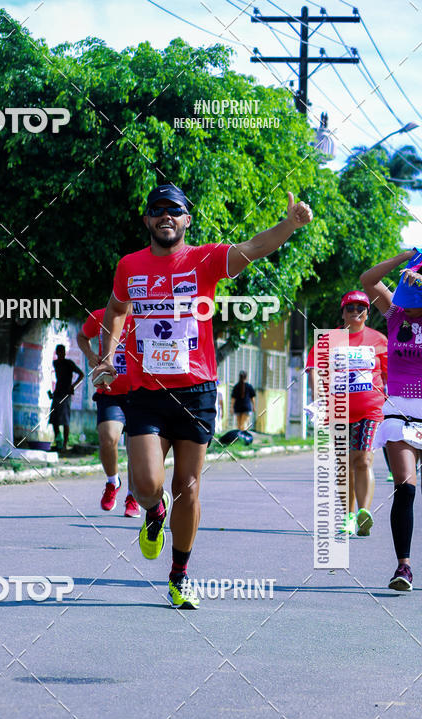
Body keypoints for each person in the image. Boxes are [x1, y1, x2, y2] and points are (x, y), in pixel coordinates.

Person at [92, 183, 313, 609]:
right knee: (146, 485)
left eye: (174, 210)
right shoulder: (129, 266)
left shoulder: (205, 259)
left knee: (188, 487)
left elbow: (255, 246)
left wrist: (289, 224)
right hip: (146, 391)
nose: (166, 216)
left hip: (196, 392)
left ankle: (179, 576)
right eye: (158, 209)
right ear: (147, 220)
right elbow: (116, 310)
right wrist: (108, 356)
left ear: (186, 220)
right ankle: (154, 512)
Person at [360, 249, 422, 590]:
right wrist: (404, 257)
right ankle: (403, 567)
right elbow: (368, 280)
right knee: (405, 487)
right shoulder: (396, 315)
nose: (407, 307)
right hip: (400, 413)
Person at [306, 290, 388, 537]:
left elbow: (389, 375)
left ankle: (364, 513)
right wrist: (318, 399)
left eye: (361, 308)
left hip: (370, 409)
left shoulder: (379, 340)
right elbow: (314, 369)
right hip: (337, 411)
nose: (355, 312)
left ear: (367, 313)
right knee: (344, 464)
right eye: (350, 308)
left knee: (363, 459)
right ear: (342, 313)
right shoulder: (327, 340)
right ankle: (349, 516)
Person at [77, 308, 140, 516]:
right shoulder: (100, 316)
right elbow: (82, 336)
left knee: (136, 449)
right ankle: (113, 482)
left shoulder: (145, 315)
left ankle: (133, 496)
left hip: (140, 392)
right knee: (108, 438)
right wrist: (91, 355)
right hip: (109, 391)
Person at [48, 344, 84, 451]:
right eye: (59, 352)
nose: (61, 354)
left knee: (65, 420)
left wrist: (73, 386)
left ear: (64, 353)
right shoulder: (56, 363)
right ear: (57, 353)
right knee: (54, 419)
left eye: (62, 352)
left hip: (66, 394)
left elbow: (81, 374)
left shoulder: (69, 363)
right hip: (57, 393)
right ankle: (58, 442)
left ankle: (64, 444)